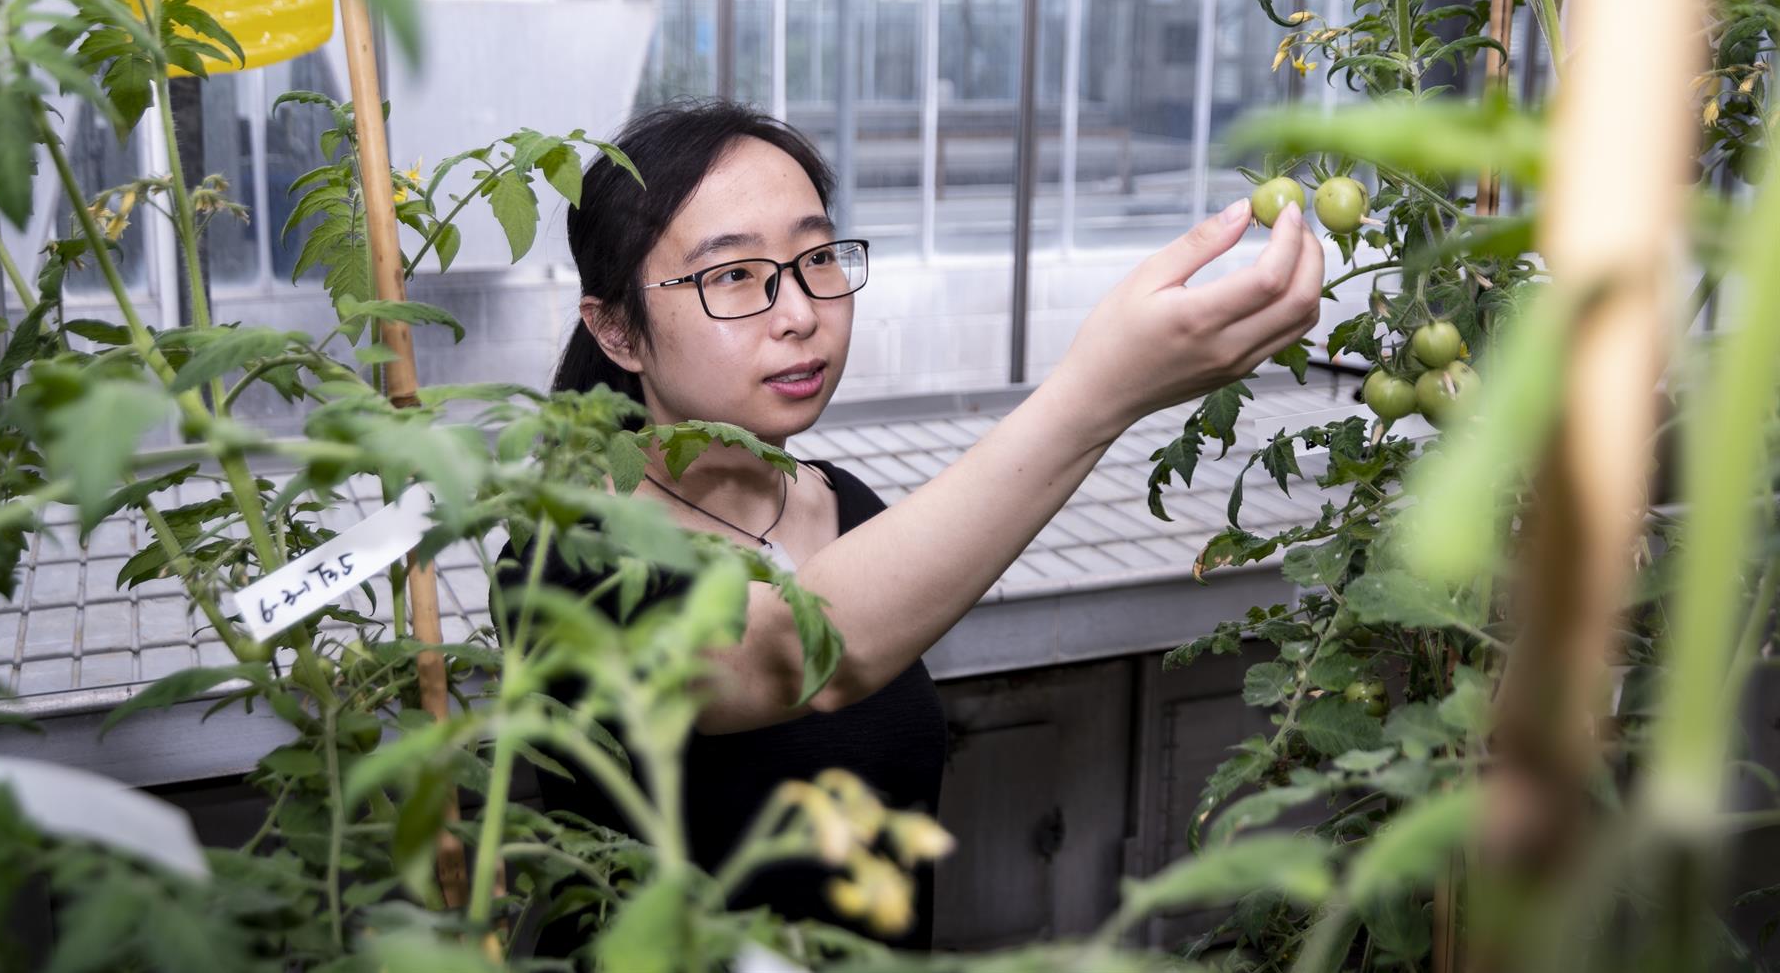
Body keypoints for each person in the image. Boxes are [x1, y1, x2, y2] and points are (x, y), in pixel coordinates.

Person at [529, 99, 1323, 952]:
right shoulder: (569, 564)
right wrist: (1102, 391)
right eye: (733, 275)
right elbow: (795, 651)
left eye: (817, 256)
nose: (799, 311)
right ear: (617, 330)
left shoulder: (846, 508)